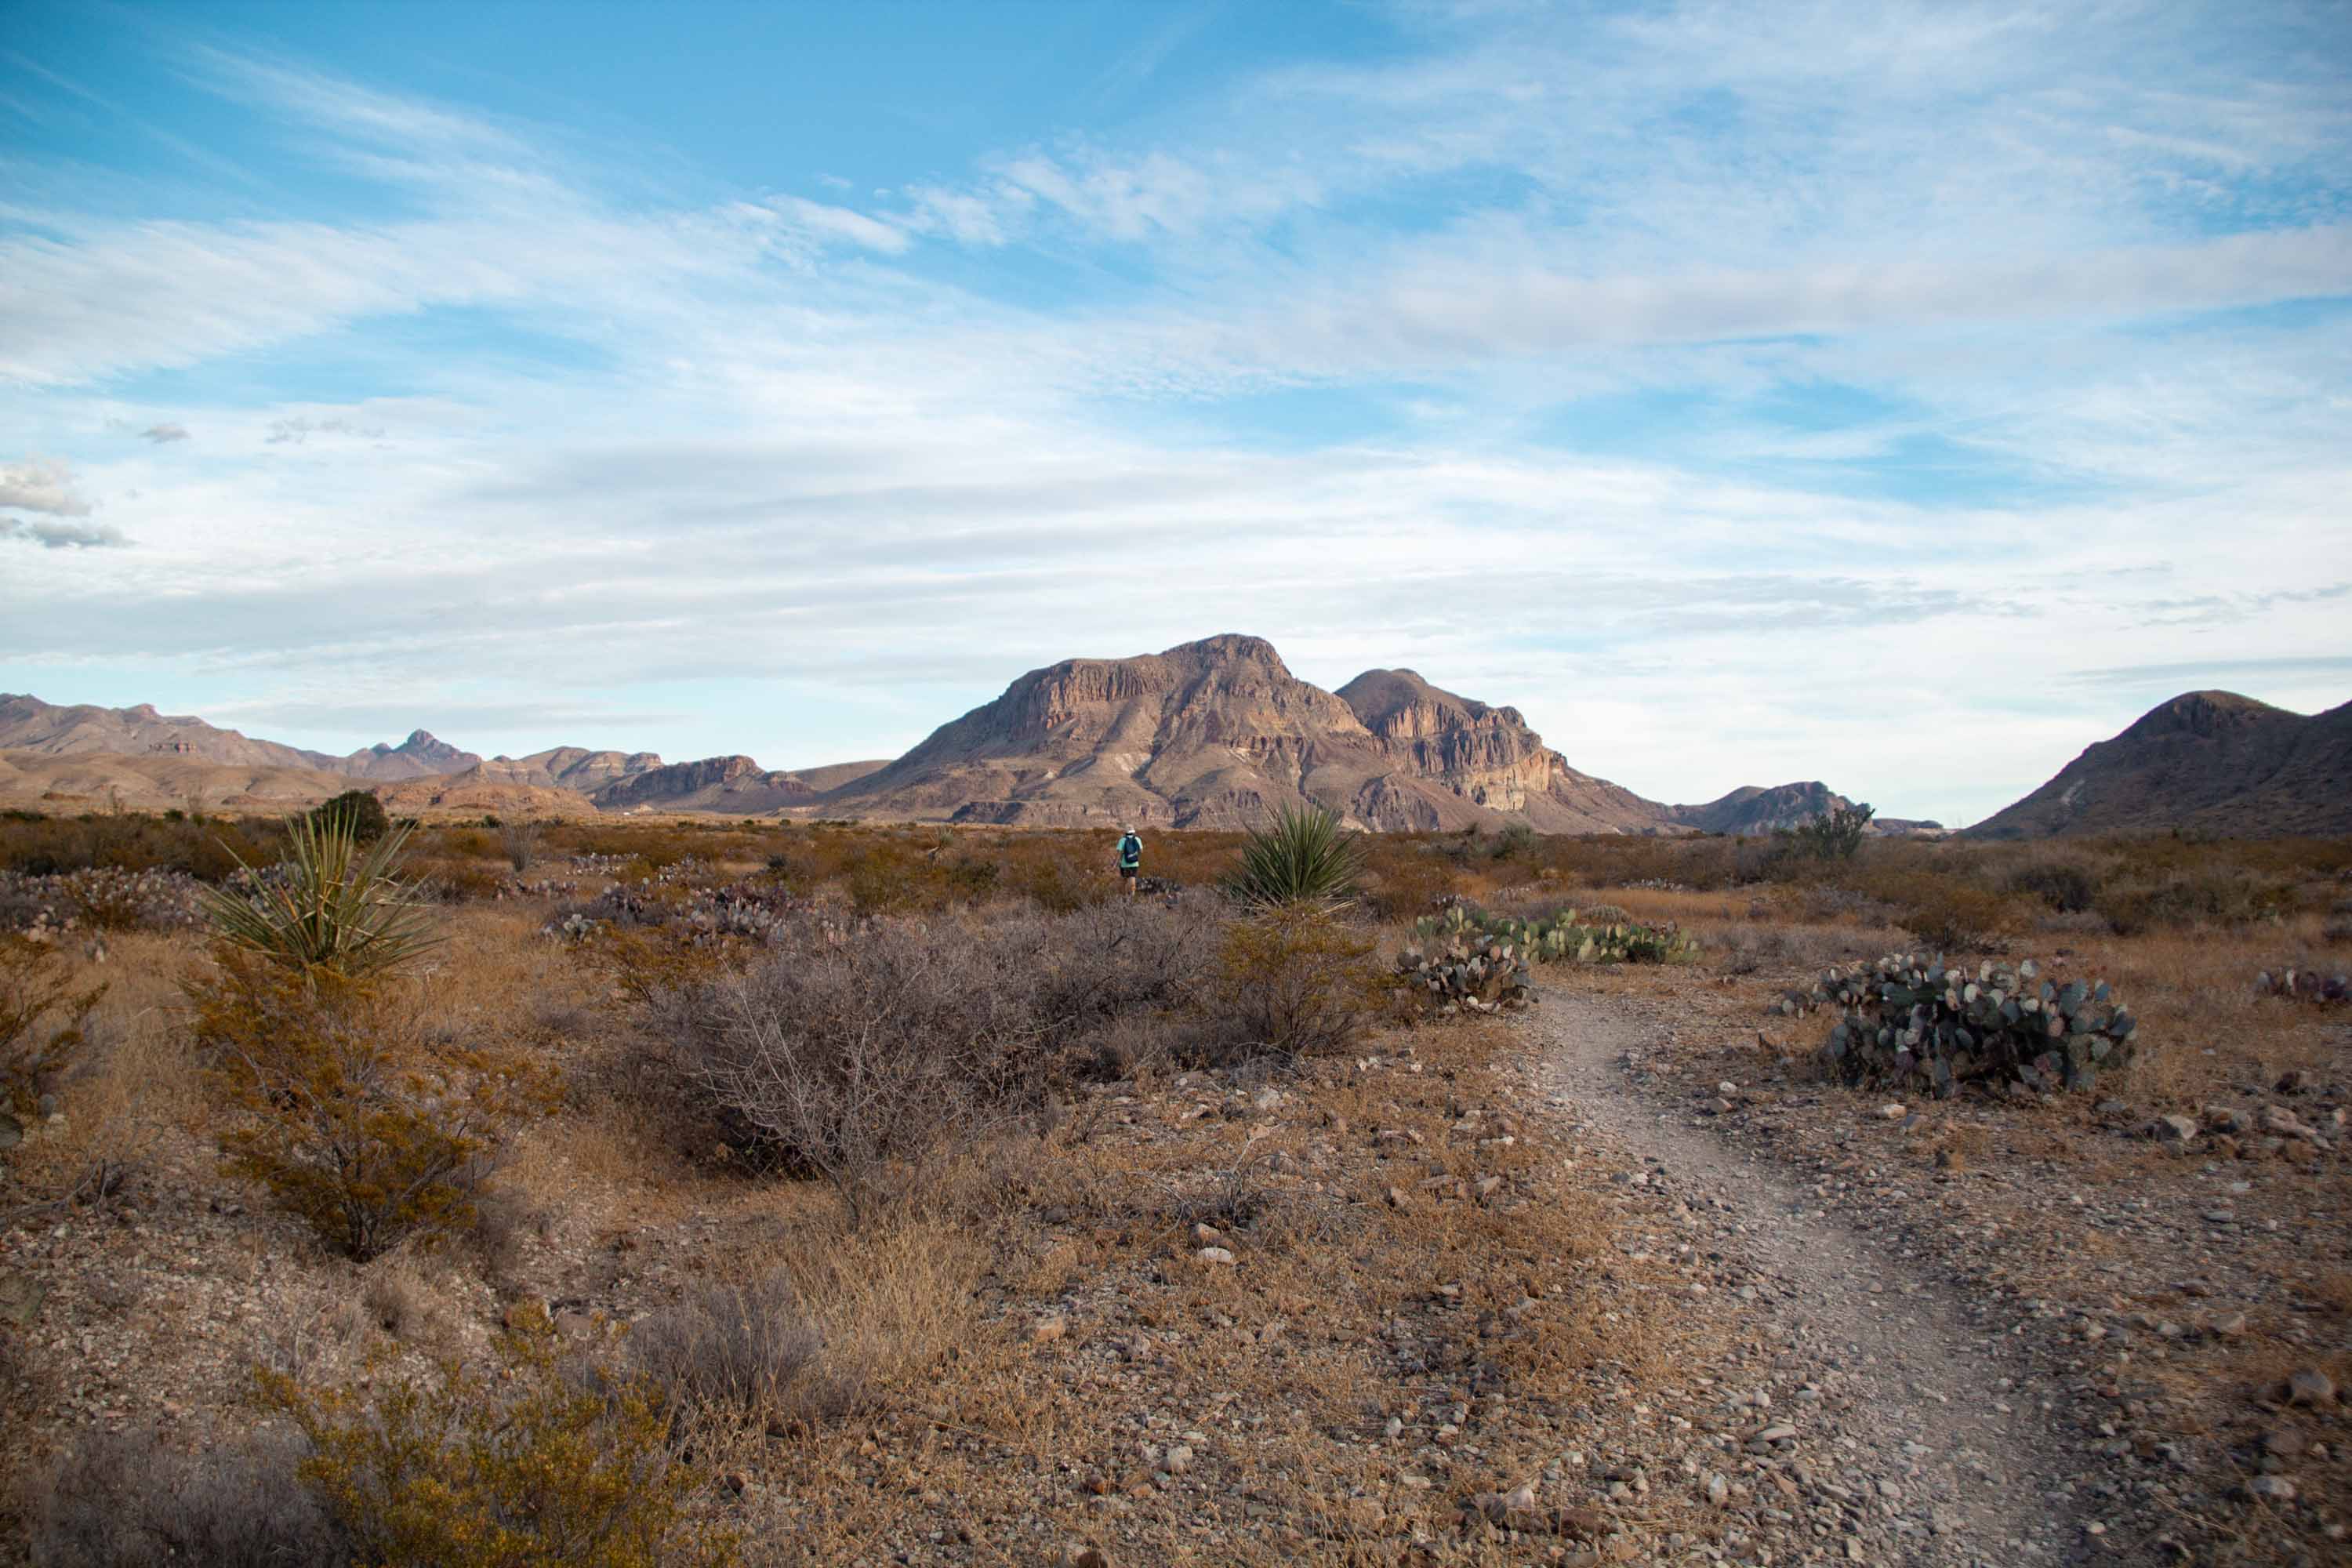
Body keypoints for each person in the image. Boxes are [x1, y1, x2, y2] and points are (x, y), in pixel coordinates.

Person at [1114, 825, 1143, 895]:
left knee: (1125, 881)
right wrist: (1134, 855)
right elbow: (1141, 851)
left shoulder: (1122, 840)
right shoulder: (1138, 839)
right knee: (1133, 880)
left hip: (1124, 864)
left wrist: (1115, 864)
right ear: (1133, 832)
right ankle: (1132, 896)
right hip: (1134, 864)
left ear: (1125, 832)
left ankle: (1125, 896)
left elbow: (1118, 853)